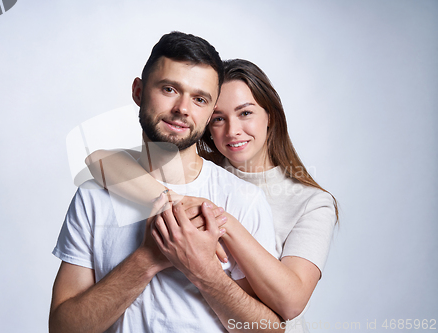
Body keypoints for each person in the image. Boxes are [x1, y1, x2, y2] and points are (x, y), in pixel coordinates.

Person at [49, 32, 285, 333]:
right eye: (170, 89)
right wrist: (148, 259)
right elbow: (63, 329)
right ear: (138, 91)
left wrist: (203, 271)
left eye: (199, 99)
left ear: (210, 112)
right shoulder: (93, 196)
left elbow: (270, 330)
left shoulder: (242, 199)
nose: (183, 109)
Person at [86, 59, 339, 332]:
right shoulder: (200, 173)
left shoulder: (310, 203)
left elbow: (290, 303)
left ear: (271, 117)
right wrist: (175, 203)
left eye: (245, 113)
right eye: (218, 118)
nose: (232, 131)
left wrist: (222, 220)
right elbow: (99, 160)